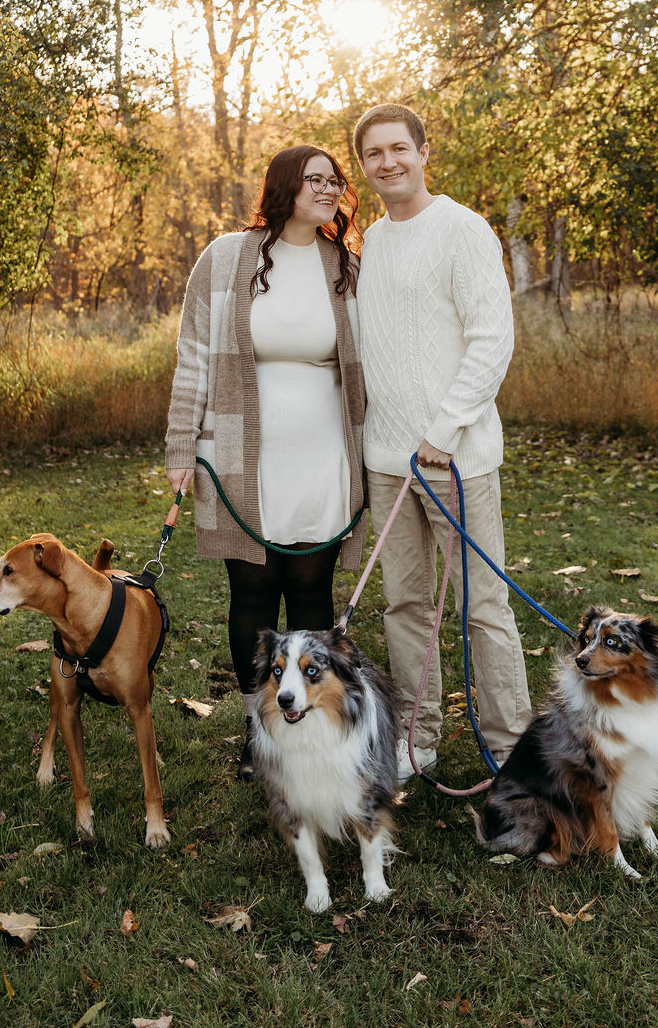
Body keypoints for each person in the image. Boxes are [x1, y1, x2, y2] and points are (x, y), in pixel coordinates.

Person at [165, 145, 367, 780]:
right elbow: (193, 355)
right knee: (251, 592)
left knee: (310, 594)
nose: (329, 189)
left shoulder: (347, 266)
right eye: (315, 180)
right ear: (284, 186)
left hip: (324, 458)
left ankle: (305, 732)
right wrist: (179, 447)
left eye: (335, 181)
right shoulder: (226, 258)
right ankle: (259, 734)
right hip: (237, 455)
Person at [352, 102, 531, 780]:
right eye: (375, 154)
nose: (389, 162)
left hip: (456, 460)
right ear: (365, 166)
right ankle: (416, 739)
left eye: (400, 148)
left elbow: (492, 340)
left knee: (481, 605)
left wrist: (444, 429)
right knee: (405, 604)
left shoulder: (463, 229)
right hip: (388, 462)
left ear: (424, 152)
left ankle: (512, 747)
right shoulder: (373, 239)